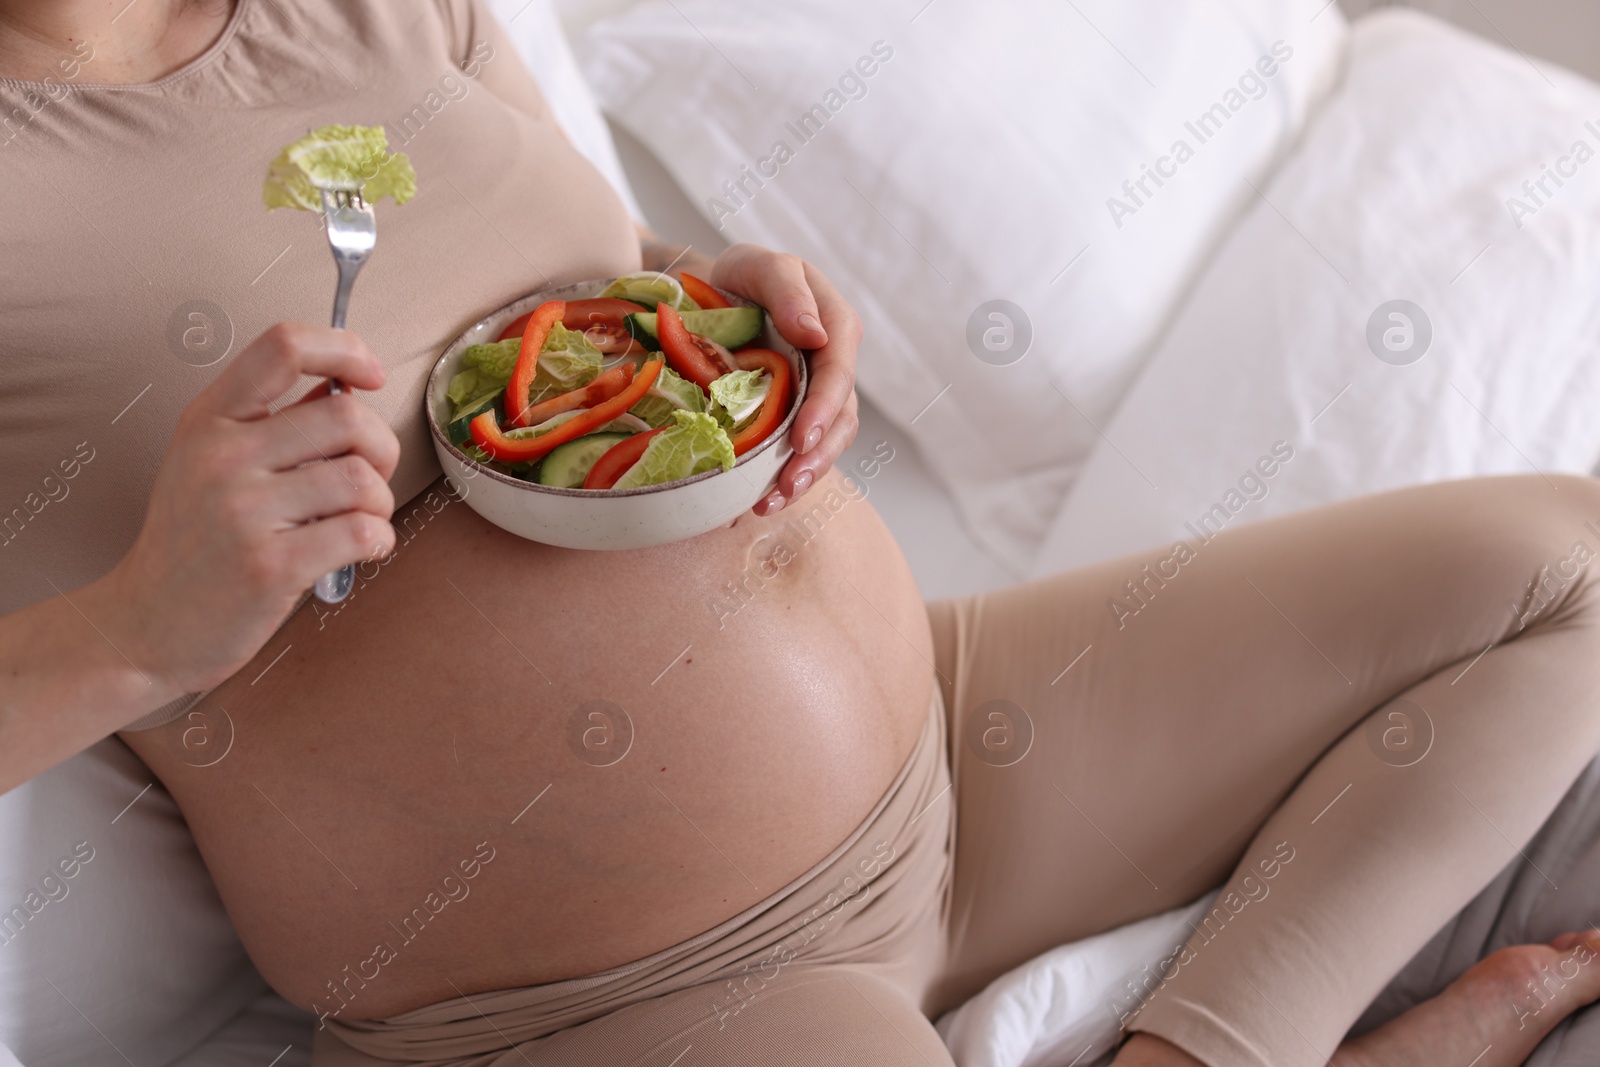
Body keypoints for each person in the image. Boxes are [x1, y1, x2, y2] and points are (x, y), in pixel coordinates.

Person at [4, 2, 1600, 1065]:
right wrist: (140, 623)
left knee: (1569, 569)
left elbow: (591, 270)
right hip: (619, 986)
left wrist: (724, 299)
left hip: (962, 737)